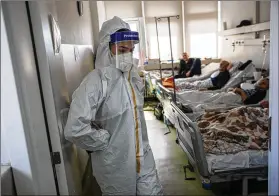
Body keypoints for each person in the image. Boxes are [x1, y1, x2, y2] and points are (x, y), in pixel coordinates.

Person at [64, 16, 163, 195]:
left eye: (131, 50)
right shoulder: (96, 81)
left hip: (143, 156)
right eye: (122, 49)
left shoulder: (132, 76)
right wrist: (104, 141)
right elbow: (74, 129)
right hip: (115, 163)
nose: (127, 54)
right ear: (106, 47)